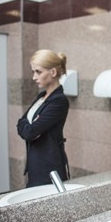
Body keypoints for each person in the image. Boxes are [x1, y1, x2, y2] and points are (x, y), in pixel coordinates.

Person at [17, 49, 70, 187]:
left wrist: (29, 128)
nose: (34, 77)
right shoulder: (41, 97)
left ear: (52, 72)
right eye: (33, 72)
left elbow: (29, 132)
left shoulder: (59, 100)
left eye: (38, 72)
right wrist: (29, 126)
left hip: (48, 170)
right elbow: (20, 123)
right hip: (36, 167)